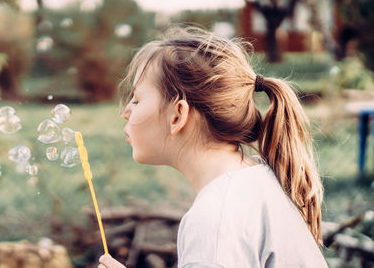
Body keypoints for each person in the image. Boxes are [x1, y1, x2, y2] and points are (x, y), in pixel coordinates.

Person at [97, 26, 328, 268]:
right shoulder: (256, 178)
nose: (126, 112)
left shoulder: (214, 222)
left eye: (136, 99)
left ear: (177, 115)